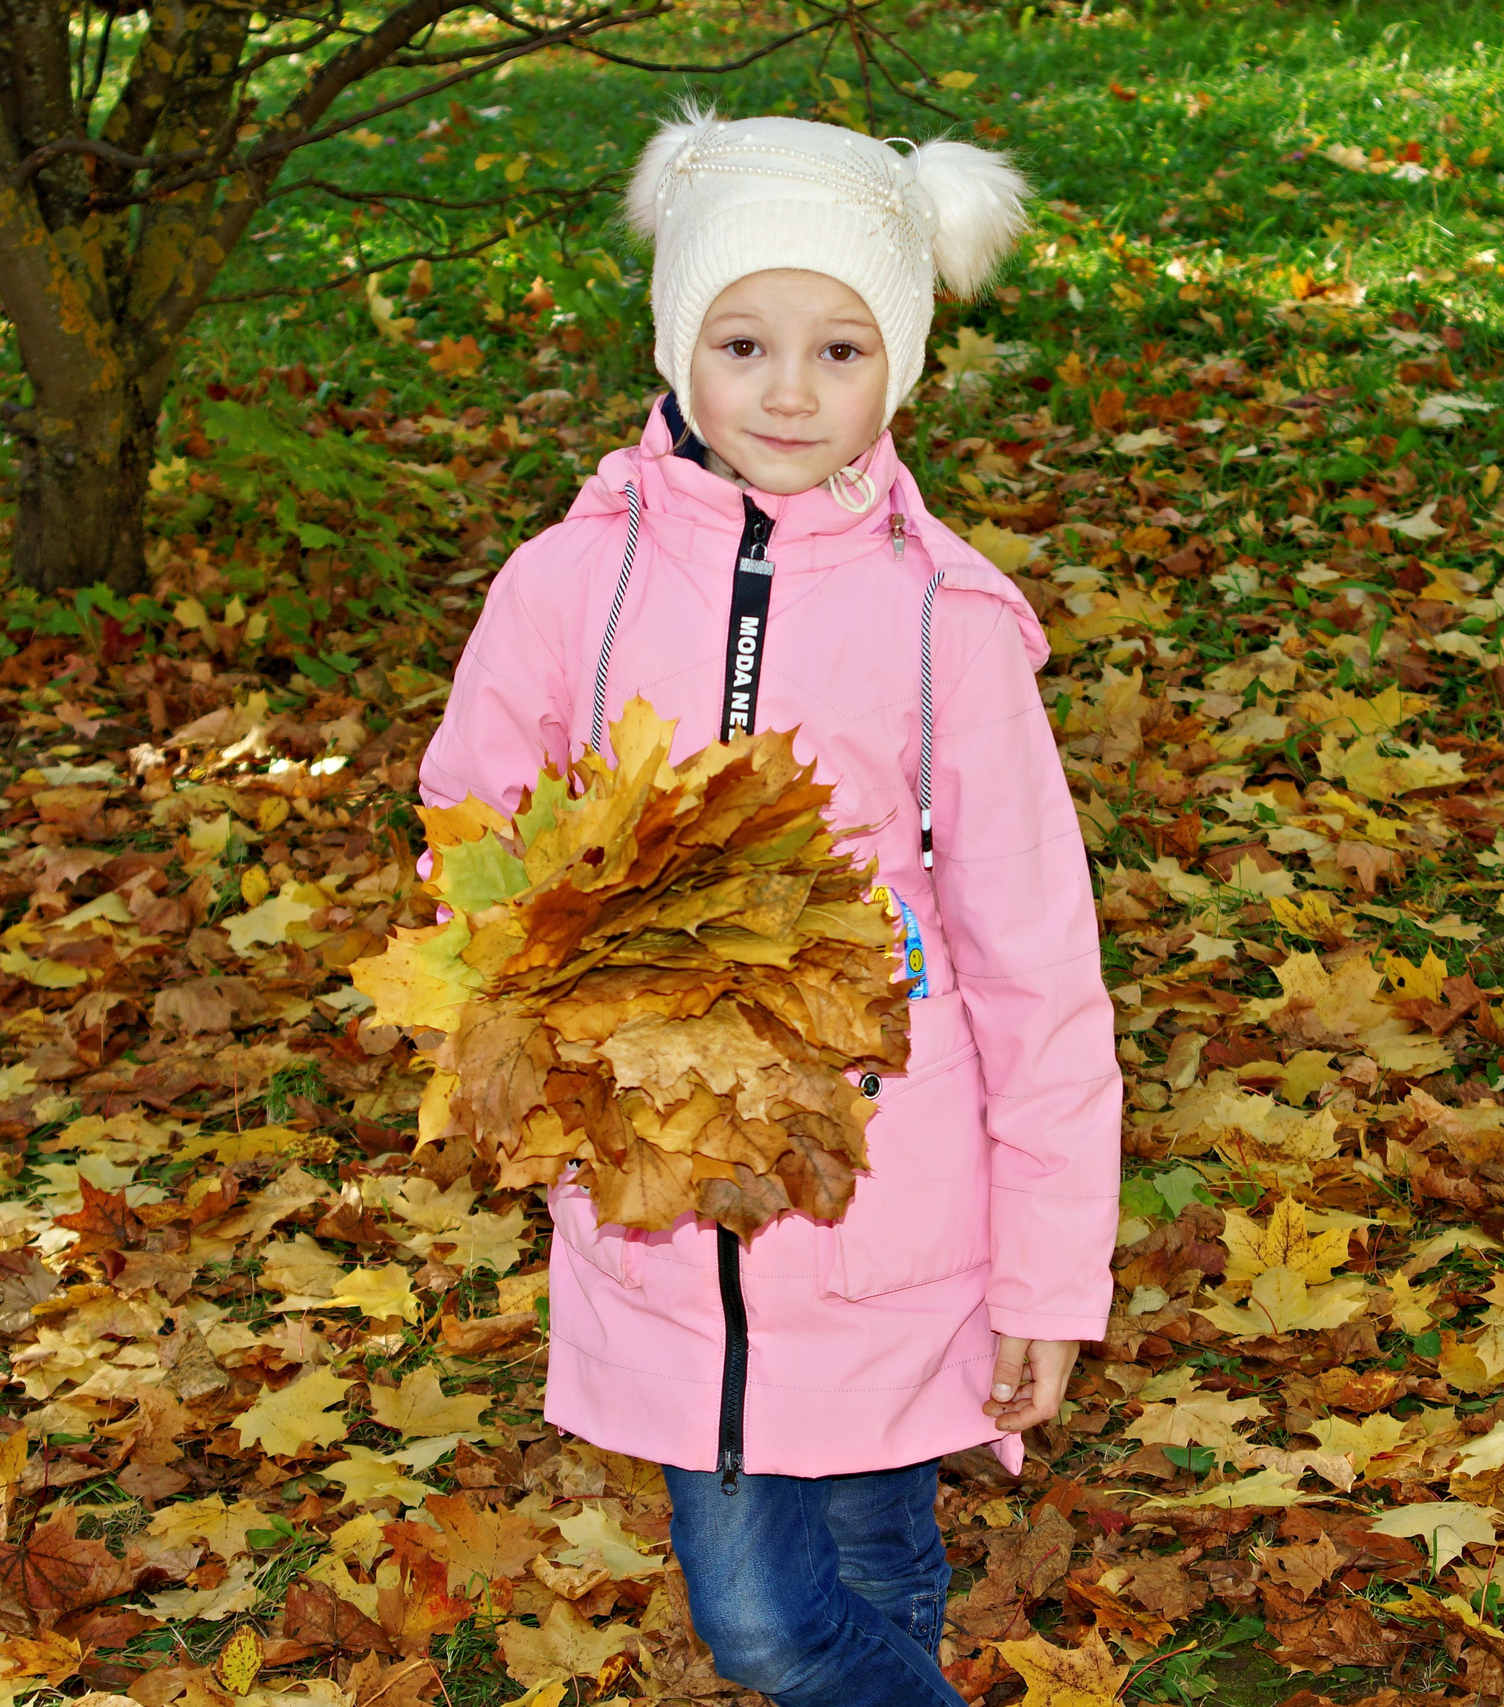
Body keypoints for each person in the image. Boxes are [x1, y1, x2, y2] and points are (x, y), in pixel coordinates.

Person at [415, 108, 1121, 1707]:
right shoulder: (560, 588)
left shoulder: (946, 622)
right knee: (764, 1626)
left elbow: (1037, 971)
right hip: (660, 1203)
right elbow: (468, 831)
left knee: (880, 1562)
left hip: (890, 1207)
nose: (789, 390)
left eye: (841, 348)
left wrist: (1048, 1277)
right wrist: (551, 964)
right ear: (678, 345)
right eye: (744, 341)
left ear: (905, 368)